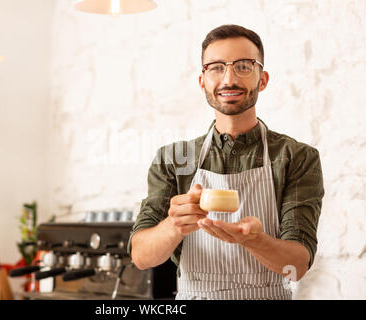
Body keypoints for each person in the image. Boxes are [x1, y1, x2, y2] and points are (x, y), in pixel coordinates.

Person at [127, 24, 324, 300]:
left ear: (263, 79)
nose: (228, 79)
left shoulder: (297, 157)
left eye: (243, 66)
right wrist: (174, 225)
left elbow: (296, 267)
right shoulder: (173, 159)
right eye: (216, 67)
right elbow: (141, 257)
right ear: (202, 81)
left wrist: (252, 240)